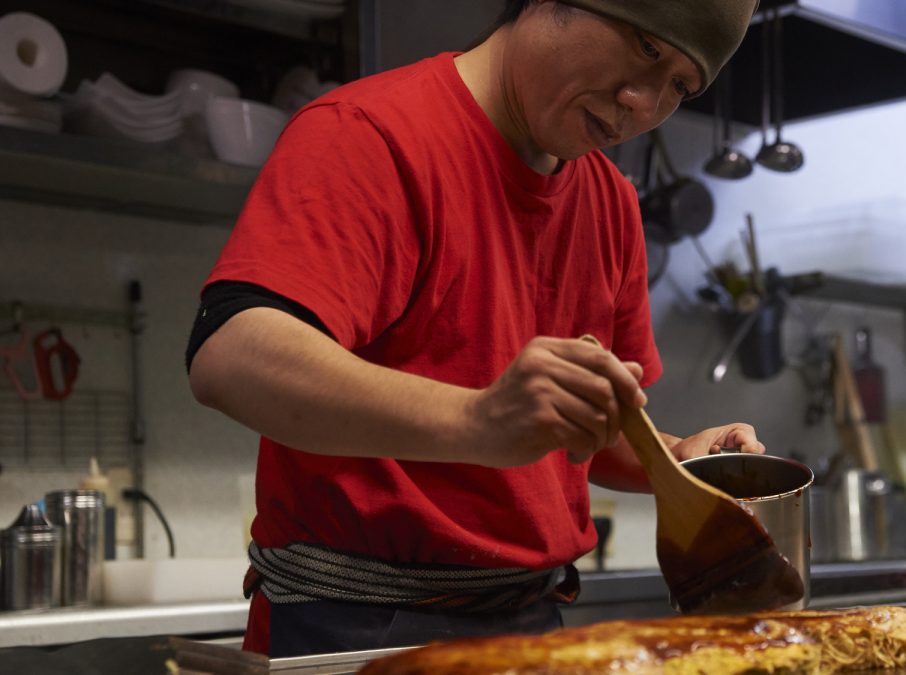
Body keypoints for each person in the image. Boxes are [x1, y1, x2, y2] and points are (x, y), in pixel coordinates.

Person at [186, 0, 760, 658]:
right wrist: (481, 419)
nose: (642, 100)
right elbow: (230, 356)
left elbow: (586, 431)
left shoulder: (611, 203)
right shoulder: (371, 132)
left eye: (680, 86)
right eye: (647, 49)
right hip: (357, 627)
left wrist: (676, 459)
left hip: (532, 625)